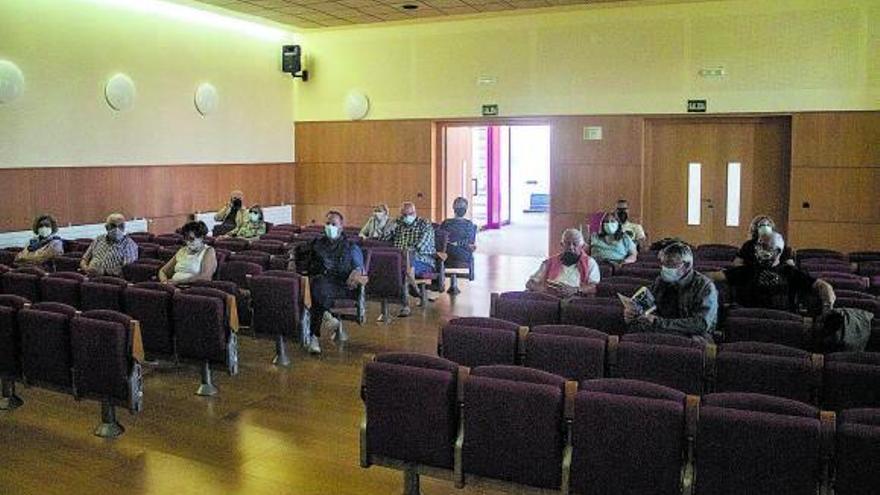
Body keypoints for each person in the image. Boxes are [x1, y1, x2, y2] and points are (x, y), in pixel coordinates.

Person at [709, 232, 835, 314]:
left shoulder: (790, 272)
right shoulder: (747, 270)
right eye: (758, 246)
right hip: (750, 319)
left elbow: (824, 287)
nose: (759, 250)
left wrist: (827, 310)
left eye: (765, 246)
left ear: (778, 251)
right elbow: (715, 276)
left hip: (780, 322)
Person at [624, 242, 719, 343]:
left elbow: (701, 324)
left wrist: (659, 322)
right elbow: (648, 306)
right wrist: (632, 313)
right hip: (662, 328)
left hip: (691, 333)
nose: (665, 268)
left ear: (686, 265)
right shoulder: (661, 280)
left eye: (670, 263)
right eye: (663, 263)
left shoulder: (705, 286)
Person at [306, 211, 367, 355]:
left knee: (315, 290)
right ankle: (326, 317)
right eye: (327, 224)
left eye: (333, 224)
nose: (329, 227)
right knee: (315, 285)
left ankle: (313, 336)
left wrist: (356, 274)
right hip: (321, 283)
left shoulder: (351, 247)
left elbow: (360, 269)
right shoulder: (317, 243)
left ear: (341, 227)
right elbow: (298, 252)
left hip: (343, 285)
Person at [381, 202, 436, 316]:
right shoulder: (398, 224)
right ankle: (417, 291)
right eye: (404, 215)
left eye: (409, 214)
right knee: (398, 266)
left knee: (406, 266)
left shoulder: (424, 224)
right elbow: (383, 239)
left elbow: (421, 246)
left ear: (415, 213)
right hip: (400, 259)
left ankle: (405, 305)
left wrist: (406, 254)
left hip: (421, 259)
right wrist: (388, 227)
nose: (406, 217)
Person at [527, 228, 600, 297]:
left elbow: (594, 287)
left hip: (575, 300)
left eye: (575, 244)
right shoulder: (549, 262)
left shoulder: (590, 263)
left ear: (582, 246)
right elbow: (530, 283)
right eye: (567, 244)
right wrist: (546, 290)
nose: (571, 247)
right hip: (551, 299)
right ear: (562, 245)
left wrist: (575, 290)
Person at [440, 197, 477, 266]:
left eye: (461, 207)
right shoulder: (446, 222)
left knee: (447, 248)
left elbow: (470, 241)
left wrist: (456, 243)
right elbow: (439, 237)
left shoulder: (447, 223)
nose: (460, 209)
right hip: (449, 252)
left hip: (460, 253)